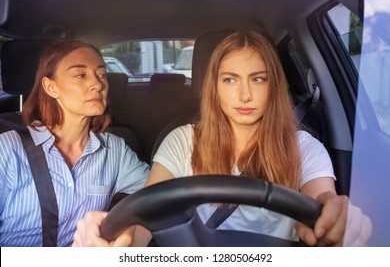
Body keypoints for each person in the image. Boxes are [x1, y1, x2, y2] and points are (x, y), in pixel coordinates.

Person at [72, 31, 371, 247]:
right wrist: (118, 241)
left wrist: (337, 218)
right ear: (213, 87)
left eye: (258, 78)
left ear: (274, 85)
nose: (245, 95)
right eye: (230, 80)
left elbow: (323, 200)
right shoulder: (182, 141)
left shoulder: (305, 148)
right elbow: (145, 220)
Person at [0, 40, 150, 247]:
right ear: (51, 87)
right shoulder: (6, 150)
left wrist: (132, 229)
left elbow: (156, 194)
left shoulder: (115, 150)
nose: (98, 84)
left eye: (102, 74)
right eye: (80, 75)